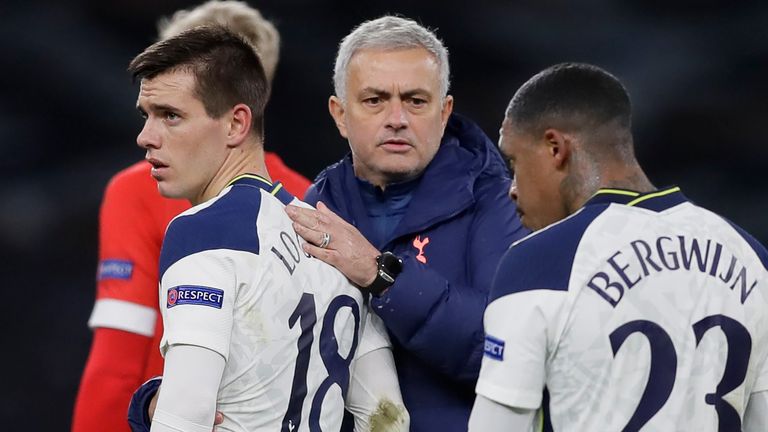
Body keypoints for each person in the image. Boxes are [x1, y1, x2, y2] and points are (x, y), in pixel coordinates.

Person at [125, 26, 406, 432]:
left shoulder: (202, 232)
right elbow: (390, 420)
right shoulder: (335, 245)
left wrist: (153, 407)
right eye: (146, 116)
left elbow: (186, 414)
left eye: (171, 116)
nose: (145, 137)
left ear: (237, 124)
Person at [469, 62, 768, 431]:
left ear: (554, 148)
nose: (512, 187)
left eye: (514, 162)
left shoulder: (539, 264)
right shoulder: (752, 257)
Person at [72, 3, 310, 431]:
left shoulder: (137, 190)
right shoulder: (311, 200)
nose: (148, 135)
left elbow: (120, 356)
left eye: (171, 112)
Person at [285, 16, 527, 431]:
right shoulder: (319, 205)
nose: (397, 118)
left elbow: (506, 354)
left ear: (444, 111)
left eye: (416, 101)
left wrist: (382, 275)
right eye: (375, 100)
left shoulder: (499, 203)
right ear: (340, 114)